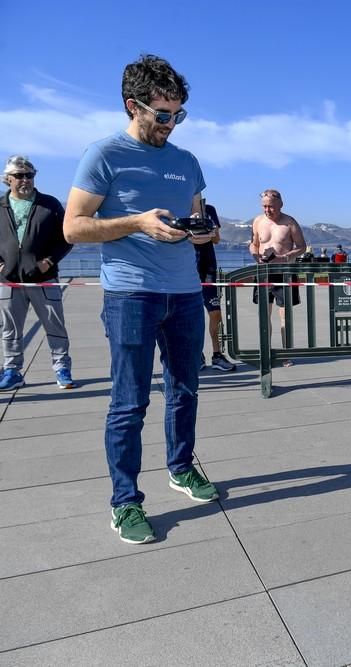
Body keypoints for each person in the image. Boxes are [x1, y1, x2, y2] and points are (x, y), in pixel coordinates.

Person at [63, 55, 219, 545]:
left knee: (186, 390)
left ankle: (181, 468)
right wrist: (135, 222)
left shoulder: (187, 162)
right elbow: (74, 227)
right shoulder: (103, 154)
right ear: (134, 106)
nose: (172, 125)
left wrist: (202, 234)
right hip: (131, 293)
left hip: (186, 293)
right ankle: (125, 501)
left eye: (180, 115)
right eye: (163, 115)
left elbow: (198, 218)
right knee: (129, 402)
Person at [0, 155, 75, 391]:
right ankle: (12, 371)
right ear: (8, 179)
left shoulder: (50, 204)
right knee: (10, 328)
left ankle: (62, 368)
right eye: (20, 176)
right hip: (9, 280)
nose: (26, 180)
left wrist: (49, 261)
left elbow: (67, 237)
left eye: (29, 175)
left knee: (55, 325)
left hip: (44, 279)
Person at [248, 189, 306, 365]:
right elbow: (254, 243)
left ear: (280, 204)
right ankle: (265, 351)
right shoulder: (258, 221)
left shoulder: (289, 223)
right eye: (264, 206)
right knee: (264, 314)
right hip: (264, 272)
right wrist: (255, 255)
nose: (268, 210)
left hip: (284, 272)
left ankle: (286, 353)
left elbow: (302, 246)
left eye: (271, 207)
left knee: (284, 315)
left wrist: (284, 257)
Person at [195, 203, 236, 372]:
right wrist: (206, 233)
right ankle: (196, 355)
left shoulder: (209, 209)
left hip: (208, 268)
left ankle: (217, 355)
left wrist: (204, 233)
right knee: (192, 314)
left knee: (215, 312)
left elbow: (216, 239)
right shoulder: (180, 205)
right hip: (187, 267)